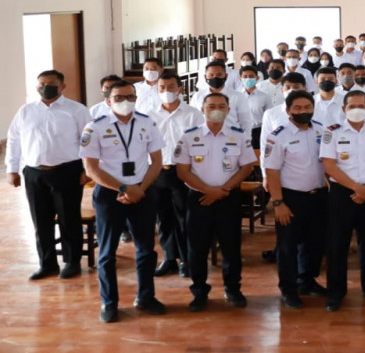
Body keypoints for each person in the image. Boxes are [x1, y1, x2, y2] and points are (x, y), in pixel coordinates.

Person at [80, 80, 166, 322]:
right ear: (108, 100)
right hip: (110, 194)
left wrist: (140, 189)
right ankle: (109, 303)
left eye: (130, 96)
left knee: (146, 249)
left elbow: (157, 161)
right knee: (107, 252)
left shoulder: (147, 122)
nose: (125, 101)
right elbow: (91, 169)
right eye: (118, 97)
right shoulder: (95, 127)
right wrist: (122, 187)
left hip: (142, 190)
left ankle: (146, 297)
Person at [7, 70, 92, 280]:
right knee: (40, 220)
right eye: (41, 84)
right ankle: (47, 263)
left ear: (62, 86)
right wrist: (12, 169)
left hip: (67, 171)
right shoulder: (26, 111)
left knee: (68, 218)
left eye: (51, 84)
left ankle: (71, 262)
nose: (45, 87)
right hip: (35, 173)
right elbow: (14, 139)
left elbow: (89, 141)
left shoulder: (76, 110)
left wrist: (87, 170)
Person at [176, 93, 256, 312]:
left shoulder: (239, 136)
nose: (216, 109)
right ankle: (199, 291)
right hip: (198, 199)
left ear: (229, 110)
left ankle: (233, 289)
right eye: (211, 106)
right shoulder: (189, 136)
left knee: (231, 247)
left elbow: (247, 167)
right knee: (197, 249)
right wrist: (208, 190)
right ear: (202, 109)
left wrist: (223, 190)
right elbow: (182, 171)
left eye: (222, 105)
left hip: (228, 198)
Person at [321, 90, 365, 310]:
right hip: (343, 194)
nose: (356, 110)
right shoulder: (331, 133)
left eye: (361, 105)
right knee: (337, 245)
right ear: (344, 109)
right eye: (351, 106)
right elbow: (329, 166)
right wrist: (356, 188)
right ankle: (335, 292)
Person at [263, 91, 329, 309]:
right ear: (288, 110)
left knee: (315, 243)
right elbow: (272, 172)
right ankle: (288, 289)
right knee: (288, 246)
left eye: (307, 107)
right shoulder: (278, 135)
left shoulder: (322, 130)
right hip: (290, 198)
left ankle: (307, 282)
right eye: (298, 108)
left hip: (318, 196)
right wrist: (278, 203)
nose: (303, 111)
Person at [148, 70, 204, 278]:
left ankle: (187, 259)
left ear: (180, 89)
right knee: (163, 218)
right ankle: (169, 258)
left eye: (171, 87)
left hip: (183, 172)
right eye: (162, 88)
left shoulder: (193, 114)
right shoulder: (149, 115)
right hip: (158, 172)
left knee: (185, 218)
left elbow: (199, 143)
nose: (166, 91)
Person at [191, 61, 254, 132]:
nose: (215, 77)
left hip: (232, 139)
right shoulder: (197, 97)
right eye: (211, 75)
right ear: (205, 77)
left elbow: (245, 122)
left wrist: (246, 140)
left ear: (226, 76)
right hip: (204, 138)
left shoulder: (238, 96)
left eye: (219, 75)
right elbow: (192, 121)